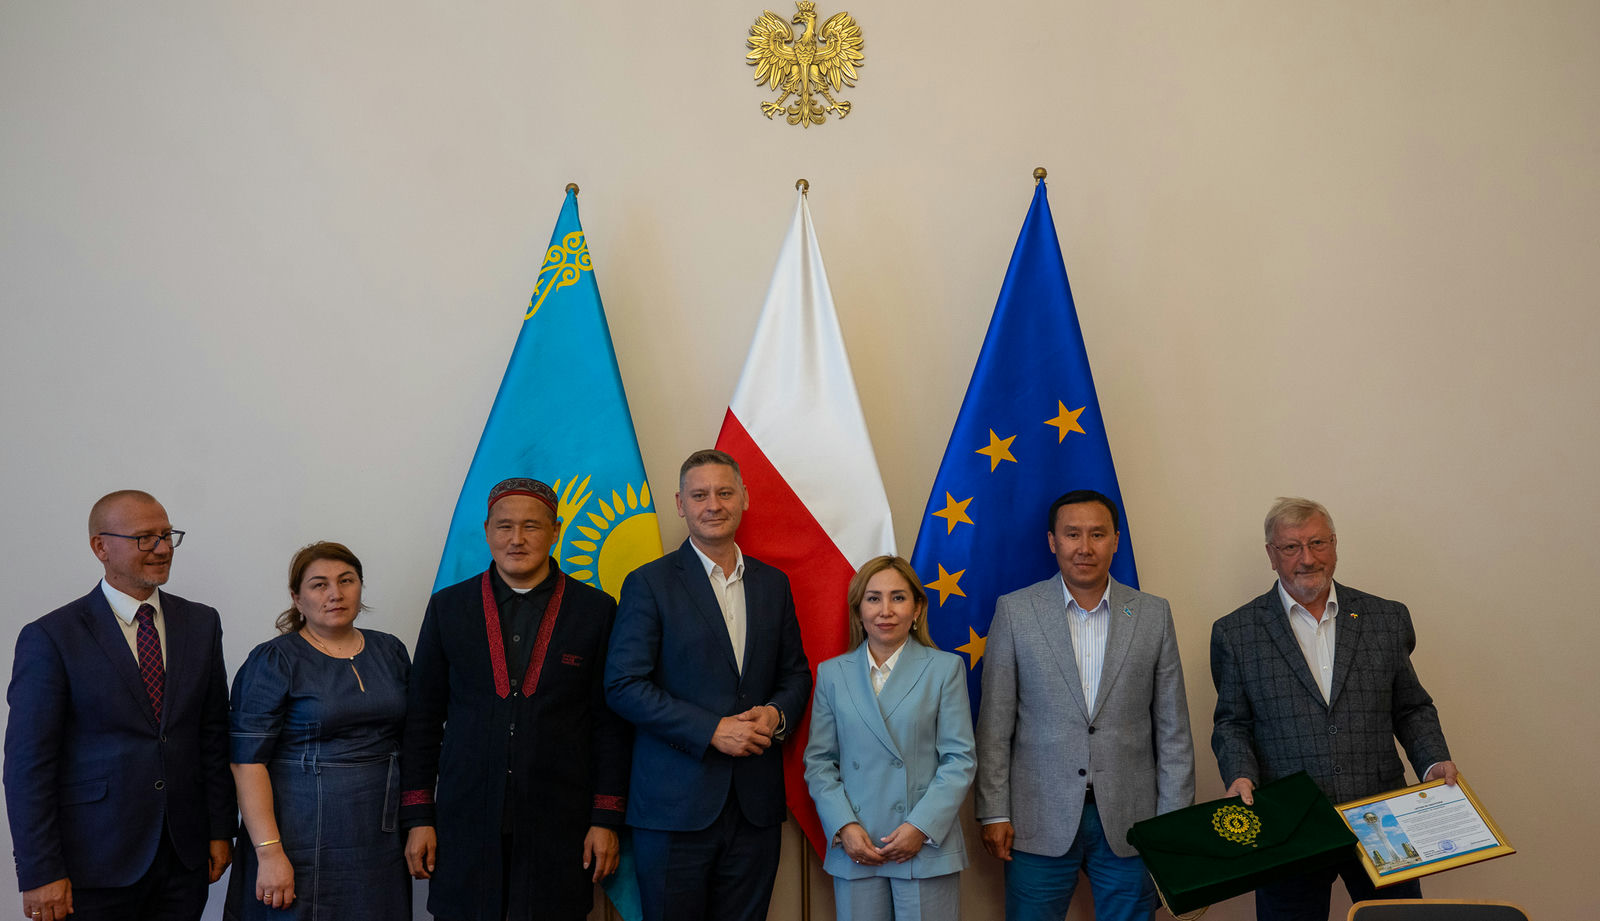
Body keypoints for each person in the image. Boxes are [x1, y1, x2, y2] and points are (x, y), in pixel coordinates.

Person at [1210, 497, 1457, 920]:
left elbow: (1411, 707)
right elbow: (1233, 722)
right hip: (1289, 820)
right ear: (1271, 555)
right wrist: (1239, 775)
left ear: (1335, 544)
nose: (1307, 558)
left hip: (1381, 815)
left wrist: (1433, 762)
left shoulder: (1386, 618)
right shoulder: (1236, 632)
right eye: (1291, 547)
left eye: (1317, 543)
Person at [401, 477, 631, 921]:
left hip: (560, 821)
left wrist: (605, 819)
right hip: (465, 817)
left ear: (555, 531)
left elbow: (610, 725)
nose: (517, 539)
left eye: (532, 526)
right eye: (505, 526)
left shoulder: (596, 610)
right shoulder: (449, 608)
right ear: (487, 531)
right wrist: (418, 816)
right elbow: (422, 720)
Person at [4, 490, 234, 921]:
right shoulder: (52, 636)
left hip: (184, 859)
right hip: (93, 865)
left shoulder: (202, 623)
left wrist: (221, 829)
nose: (162, 549)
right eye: (145, 538)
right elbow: (28, 765)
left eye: (167, 535)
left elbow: (213, 734)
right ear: (100, 547)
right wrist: (40, 870)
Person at [604, 449, 812, 921]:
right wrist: (711, 730)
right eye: (699, 495)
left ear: (744, 498)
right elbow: (623, 684)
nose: (713, 505)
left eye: (724, 493)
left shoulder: (774, 584)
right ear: (680, 504)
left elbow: (795, 674)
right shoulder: (649, 584)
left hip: (755, 808)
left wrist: (776, 715)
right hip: (674, 810)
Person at [975, 489, 1194, 921]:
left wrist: (1172, 823)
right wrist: (993, 811)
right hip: (1036, 817)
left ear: (1115, 540)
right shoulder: (1016, 612)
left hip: (1132, 821)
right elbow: (994, 728)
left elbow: (1174, 732)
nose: (1085, 547)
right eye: (1072, 534)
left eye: (1097, 534)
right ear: (1052, 541)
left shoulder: (1152, 614)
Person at [224, 541, 411, 919]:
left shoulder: (389, 650)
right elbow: (246, 762)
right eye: (319, 584)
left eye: (346, 580)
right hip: (299, 839)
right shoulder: (274, 660)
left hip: (380, 837)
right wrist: (269, 852)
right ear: (297, 598)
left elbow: (414, 738)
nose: (335, 593)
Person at [804, 556, 976, 921]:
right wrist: (844, 826)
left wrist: (920, 827)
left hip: (924, 845)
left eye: (898, 597)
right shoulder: (832, 674)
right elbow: (819, 763)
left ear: (917, 609)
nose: (886, 610)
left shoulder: (945, 668)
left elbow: (959, 760)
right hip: (856, 846)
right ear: (858, 611)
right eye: (873, 598)